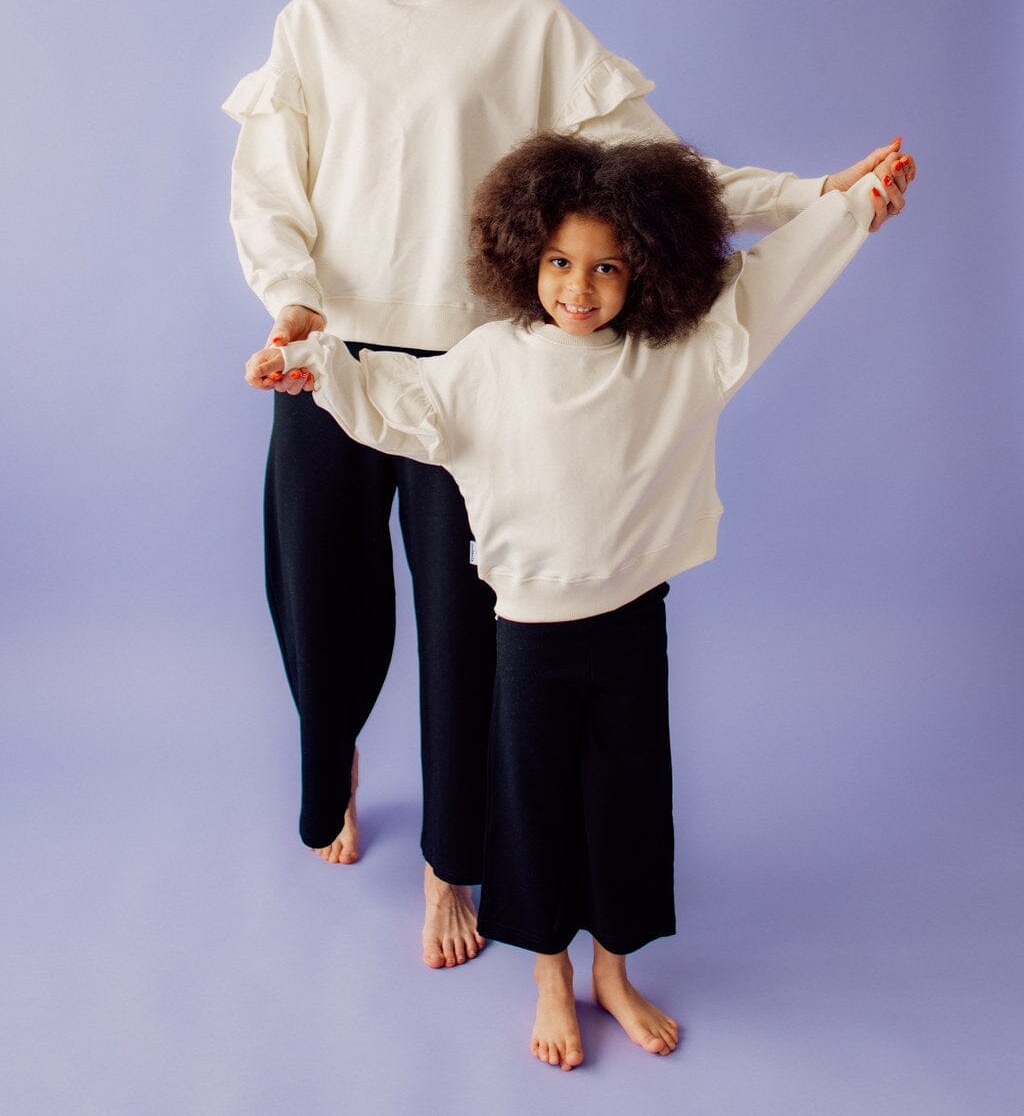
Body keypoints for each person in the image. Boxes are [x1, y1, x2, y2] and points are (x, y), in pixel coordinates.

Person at [224, 0, 913, 968]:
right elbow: (268, 188)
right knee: (317, 608)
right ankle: (331, 757)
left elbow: (664, 180)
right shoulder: (316, 21)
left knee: (463, 642)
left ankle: (451, 862)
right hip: (325, 357)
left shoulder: (526, 22)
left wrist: (814, 195)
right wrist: (292, 309)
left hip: (472, 376)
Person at [245, 132, 915, 1069]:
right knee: (535, 809)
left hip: (632, 626)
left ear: (646, 269)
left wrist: (853, 206)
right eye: (560, 261)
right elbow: (396, 397)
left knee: (627, 805)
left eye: (607, 267)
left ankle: (615, 973)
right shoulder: (490, 360)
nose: (579, 286)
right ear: (525, 255)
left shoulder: (679, 355)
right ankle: (551, 976)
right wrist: (313, 364)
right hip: (527, 636)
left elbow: (772, 282)